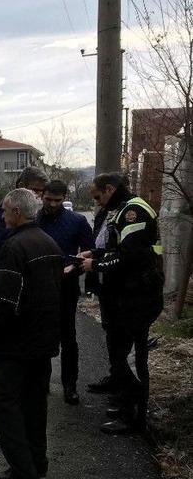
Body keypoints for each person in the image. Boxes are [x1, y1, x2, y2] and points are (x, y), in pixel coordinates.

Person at [0, 188, 64, 479]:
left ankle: (23, 470)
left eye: (5, 211)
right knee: (35, 405)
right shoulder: (49, 242)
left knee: (6, 406)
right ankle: (37, 462)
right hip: (43, 343)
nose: (3, 216)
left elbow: (5, 303)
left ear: (16, 213)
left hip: (16, 345)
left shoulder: (14, 247)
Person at [80, 172, 163, 434]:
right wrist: (94, 253)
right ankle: (125, 403)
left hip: (139, 296)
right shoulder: (122, 210)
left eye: (98, 196)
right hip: (127, 295)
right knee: (120, 352)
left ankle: (134, 417)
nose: (98, 203)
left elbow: (129, 257)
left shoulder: (133, 211)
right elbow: (117, 249)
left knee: (131, 357)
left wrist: (95, 264)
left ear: (109, 189)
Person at [37, 180, 95, 405]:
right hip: (38, 287)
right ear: (42, 196)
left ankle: (70, 385)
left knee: (68, 338)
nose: (51, 204)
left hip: (66, 287)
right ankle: (42, 382)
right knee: (40, 336)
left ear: (64, 198)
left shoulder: (77, 221)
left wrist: (75, 267)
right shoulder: (34, 218)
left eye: (57, 200)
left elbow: (89, 255)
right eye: (48, 199)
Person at [0, 166, 49, 286]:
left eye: (42, 192)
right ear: (21, 186)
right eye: (35, 190)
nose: (39, 196)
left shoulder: (34, 210)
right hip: (8, 281)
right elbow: (8, 249)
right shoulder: (6, 211)